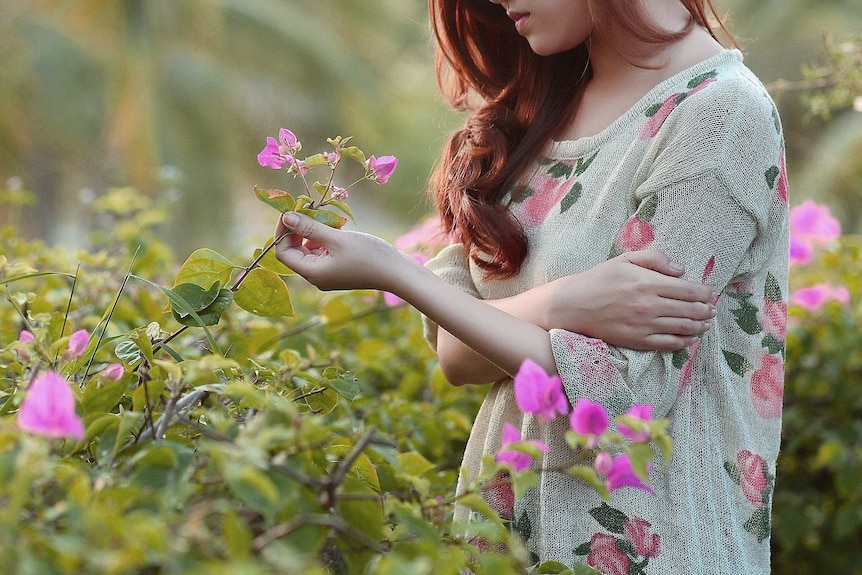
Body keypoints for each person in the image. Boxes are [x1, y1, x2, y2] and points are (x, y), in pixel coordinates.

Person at [273, 0, 789, 572]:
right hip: (506, 539)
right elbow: (457, 355)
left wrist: (394, 271)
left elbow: (615, 391)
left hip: (656, 544)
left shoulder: (720, 115)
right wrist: (561, 303)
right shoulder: (538, 111)